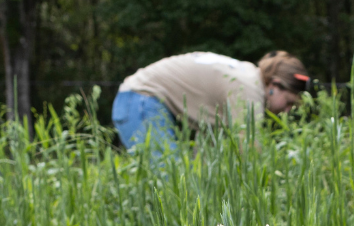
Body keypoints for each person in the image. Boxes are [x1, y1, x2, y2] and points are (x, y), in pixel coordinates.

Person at [112, 51, 311, 153]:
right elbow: (251, 151)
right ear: (275, 85)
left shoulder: (244, 76)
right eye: (288, 103)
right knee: (168, 185)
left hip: (135, 100)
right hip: (140, 102)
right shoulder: (249, 90)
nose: (286, 111)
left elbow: (207, 150)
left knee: (183, 185)